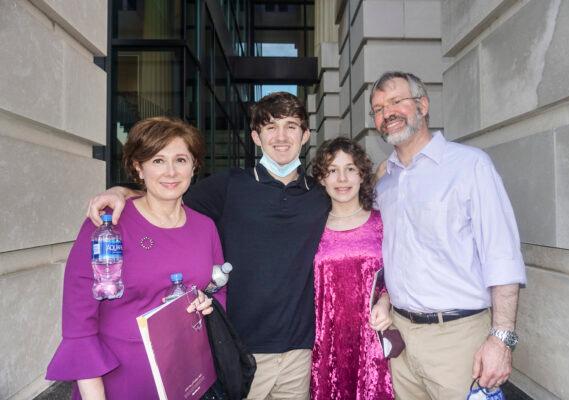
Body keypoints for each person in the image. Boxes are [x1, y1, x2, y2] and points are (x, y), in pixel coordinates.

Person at [85, 92, 330, 399]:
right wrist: (120, 192)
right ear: (256, 136)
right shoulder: (229, 185)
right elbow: (166, 192)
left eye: (291, 126)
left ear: (305, 135)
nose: (281, 137)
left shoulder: (321, 197)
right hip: (240, 348)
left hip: (298, 350)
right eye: (270, 127)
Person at [370, 71, 527, 400]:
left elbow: (502, 256)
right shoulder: (385, 183)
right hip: (401, 340)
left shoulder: (470, 166)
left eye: (397, 101)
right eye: (379, 108)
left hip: (459, 342)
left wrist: (501, 339)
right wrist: (385, 300)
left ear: (423, 105)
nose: (387, 113)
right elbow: (391, 256)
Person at [46, 117, 223, 399]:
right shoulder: (109, 224)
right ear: (139, 168)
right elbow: (79, 324)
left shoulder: (205, 227)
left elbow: (217, 289)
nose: (171, 171)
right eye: (157, 160)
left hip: (187, 377)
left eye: (180, 159)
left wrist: (207, 302)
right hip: (120, 380)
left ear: (194, 166)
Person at [309, 137, 394, 400]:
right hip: (325, 344)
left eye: (350, 169)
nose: (342, 178)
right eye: (333, 170)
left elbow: (397, 274)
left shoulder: (383, 222)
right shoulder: (311, 226)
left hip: (373, 340)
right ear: (322, 179)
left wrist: (386, 301)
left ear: (361, 175)